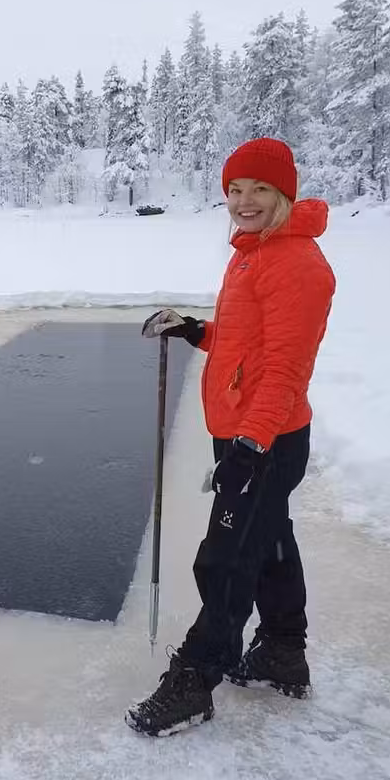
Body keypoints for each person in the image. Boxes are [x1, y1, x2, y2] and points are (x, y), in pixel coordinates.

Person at [126, 137, 336, 738]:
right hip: (250, 433)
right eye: (235, 191)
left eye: (259, 190)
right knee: (267, 541)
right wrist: (196, 331)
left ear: (284, 194)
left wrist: (250, 445)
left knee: (225, 560)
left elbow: (286, 369)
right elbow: (249, 344)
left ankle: (195, 681)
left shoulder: (297, 264)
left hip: (264, 438)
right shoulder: (254, 252)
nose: (243, 202)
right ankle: (281, 652)